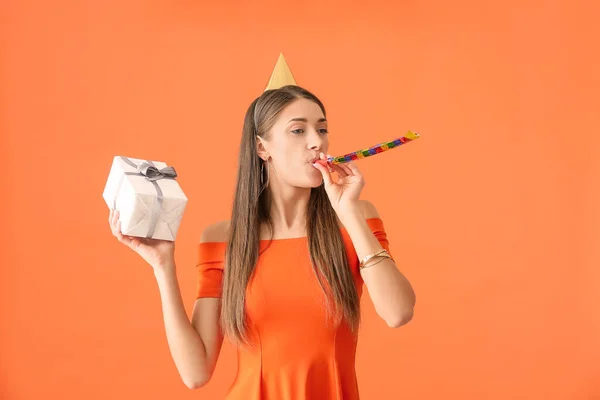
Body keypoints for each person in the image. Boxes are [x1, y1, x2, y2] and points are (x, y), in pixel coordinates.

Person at [108, 85, 416, 399]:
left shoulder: (355, 217)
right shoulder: (224, 240)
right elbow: (195, 372)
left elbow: (398, 312)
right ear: (261, 148)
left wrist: (348, 211)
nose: (317, 141)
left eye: (322, 129)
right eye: (298, 130)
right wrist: (163, 267)